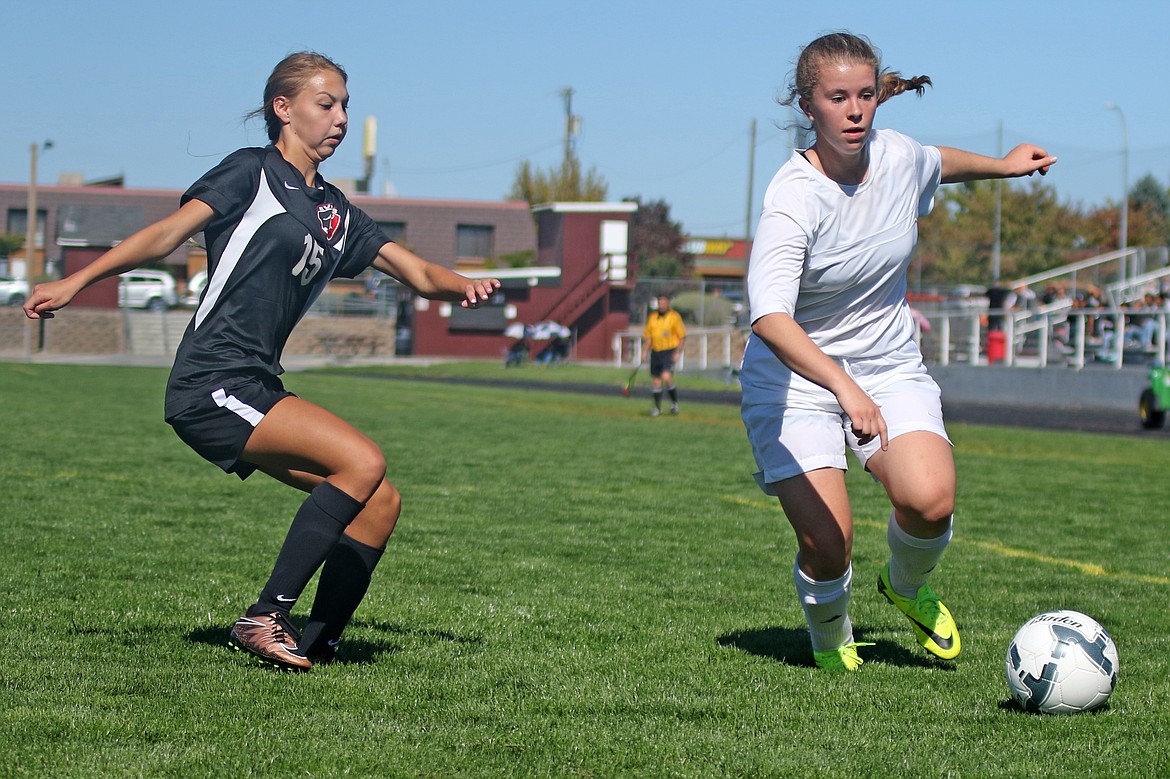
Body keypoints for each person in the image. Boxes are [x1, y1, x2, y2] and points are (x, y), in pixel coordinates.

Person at [23, 52, 501, 672]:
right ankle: (265, 616)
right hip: (210, 380)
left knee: (379, 499)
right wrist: (75, 282)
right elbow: (164, 237)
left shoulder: (336, 213)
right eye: (326, 104)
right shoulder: (250, 174)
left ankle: (318, 645)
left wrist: (462, 282)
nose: (341, 118)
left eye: (346, 106)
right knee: (362, 460)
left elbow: (416, 272)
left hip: (256, 382)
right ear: (283, 108)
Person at [739, 32, 1056, 671]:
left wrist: (1005, 164)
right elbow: (770, 317)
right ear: (809, 106)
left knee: (930, 499)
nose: (854, 111)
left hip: (887, 365)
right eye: (836, 98)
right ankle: (830, 640)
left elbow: (939, 161)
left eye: (864, 95)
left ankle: (906, 587)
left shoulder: (898, 156)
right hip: (795, 378)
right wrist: (842, 387)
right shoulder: (792, 199)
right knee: (830, 543)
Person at [642, 295, 687, 415]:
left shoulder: (674, 317)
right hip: (656, 351)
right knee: (656, 380)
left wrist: (678, 352)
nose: (661, 306)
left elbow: (682, 336)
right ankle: (657, 408)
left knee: (666, 377)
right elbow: (648, 337)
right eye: (659, 303)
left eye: (663, 303)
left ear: (668, 304)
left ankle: (674, 404)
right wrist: (644, 351)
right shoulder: (652, 317)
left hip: (669, 351)